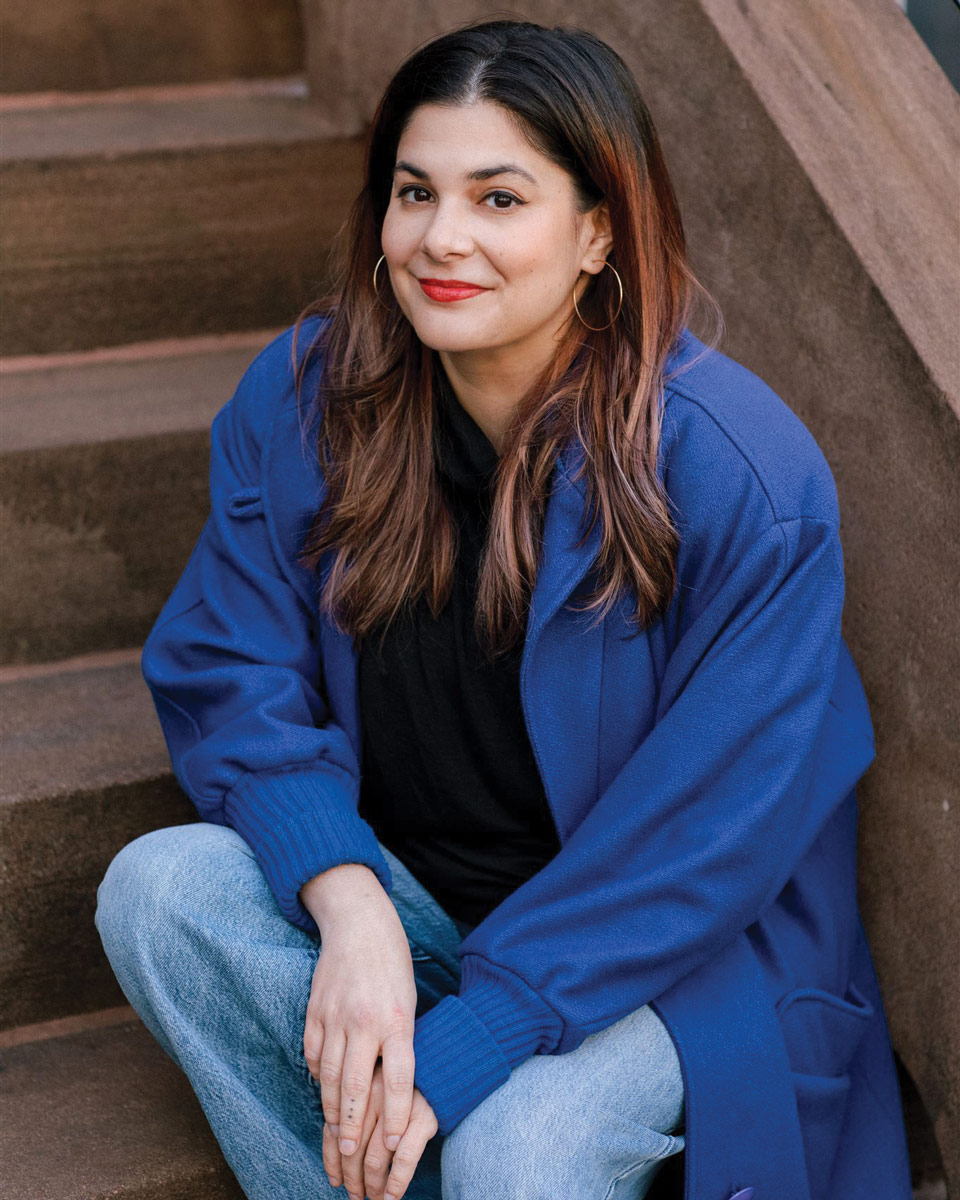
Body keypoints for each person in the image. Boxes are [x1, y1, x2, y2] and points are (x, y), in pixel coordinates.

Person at [93, 17, 913, 1200]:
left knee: (521, 1150)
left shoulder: (738, 472)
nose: (443, 237)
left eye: (499, 199)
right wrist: (350, 902)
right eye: (415, 192)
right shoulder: (311, 399)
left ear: (597, 231)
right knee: (161, 891)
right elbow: (231, 666)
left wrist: (480, 1033)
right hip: (421, 905)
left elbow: (708, 836)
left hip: (666, 956)